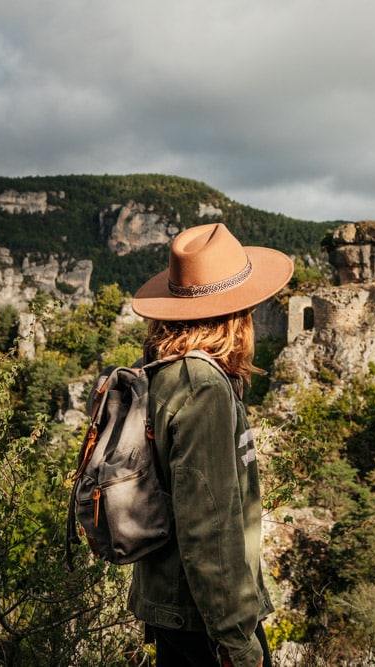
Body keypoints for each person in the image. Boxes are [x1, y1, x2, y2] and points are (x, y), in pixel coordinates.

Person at [127, 223, 293, 667]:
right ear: (236, 314)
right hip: (205, 619)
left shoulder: (165, 371)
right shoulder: (203, 387)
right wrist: (236, 641)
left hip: (179, 608)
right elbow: (208, 526)